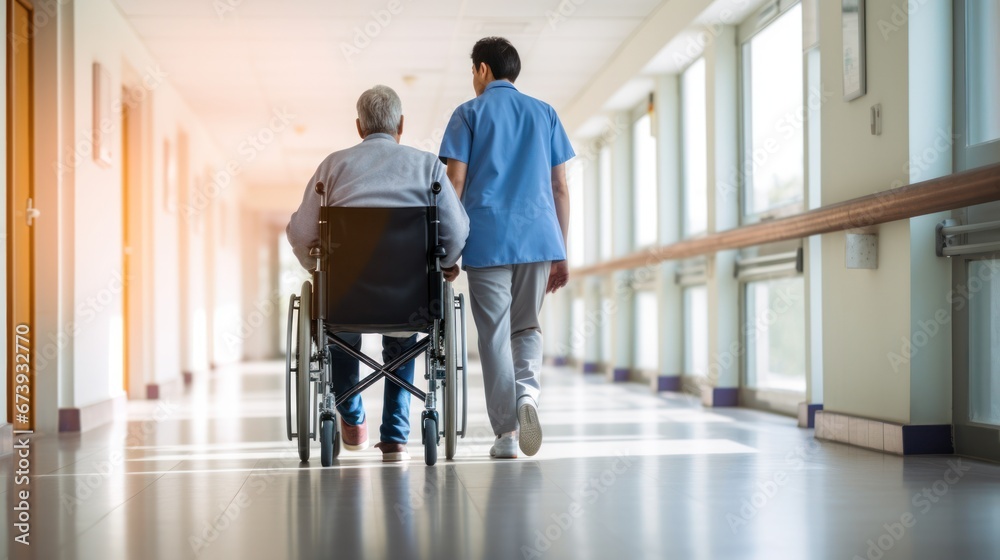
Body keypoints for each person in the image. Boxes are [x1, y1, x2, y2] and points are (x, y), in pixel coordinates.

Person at [287, 85, 469, 462]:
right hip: (411, 300)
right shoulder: (427, 167)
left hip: (345, 300)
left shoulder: (332, 167)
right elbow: (458, 230)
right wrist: (446, 262)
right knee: (403, 341)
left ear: (359, 127)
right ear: (401, 124)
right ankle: (395, 436)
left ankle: (351, 420)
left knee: (339, 335)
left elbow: (302, 234)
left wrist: (315, 269)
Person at [439, 37, 573, 459]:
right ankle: (528, 395)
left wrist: (449, 248)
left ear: (481, 70)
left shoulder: (467, 114)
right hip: (538, 240)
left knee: (494, 335)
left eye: (472, 71)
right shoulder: (545, 113)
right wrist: (561, 251)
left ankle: (506, 435)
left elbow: (454, 184)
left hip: (487, 240)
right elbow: (560, 188)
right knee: (526, 326)